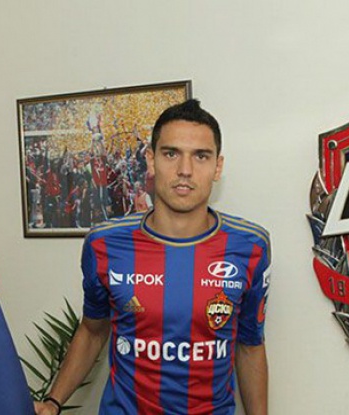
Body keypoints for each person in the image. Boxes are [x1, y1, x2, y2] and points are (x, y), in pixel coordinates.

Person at [34, 99, 271, 415]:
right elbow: (92, 329)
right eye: (171, 154)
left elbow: (250, 345)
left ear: (218, 167)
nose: (185, 170)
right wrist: (53, 402)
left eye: (201, 156)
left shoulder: (251, 247)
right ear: (150, 160)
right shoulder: (104, 243)